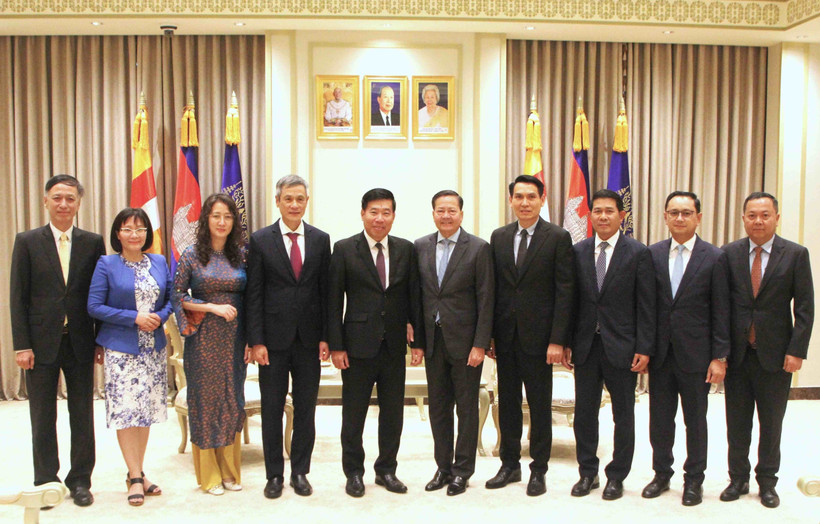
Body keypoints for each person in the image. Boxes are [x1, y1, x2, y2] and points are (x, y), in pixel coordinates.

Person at [10, 174, 105, 508]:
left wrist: (100, 341)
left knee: (82, 414)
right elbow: (17, 297)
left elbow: (100, 294)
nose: (64, 204)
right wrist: (22, 345)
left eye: (70, 198)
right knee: (41, 415)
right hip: (39, 343)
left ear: (79, 203)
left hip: (80, 340)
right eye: (57, 197)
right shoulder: (27, 241)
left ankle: (80, 480)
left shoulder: (93, 242)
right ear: (46, 201)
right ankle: (46, 482)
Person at [721, 192, 814, 509]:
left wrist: (796, 350)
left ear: (776, 217)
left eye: (764, 215)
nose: (758, 221)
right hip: (737, 354)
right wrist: (719, 352)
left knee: (771, 423)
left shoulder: (796, 254)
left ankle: (767, 482)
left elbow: (804, 308)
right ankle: (738, 479)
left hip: (776, 355)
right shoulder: (729, 253)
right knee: (737, 423)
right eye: (752, 215)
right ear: (743, 218)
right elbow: (720, 307)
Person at [328, 188, 423, 497]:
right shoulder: (344, 249)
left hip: (394, 345)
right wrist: (337, 345)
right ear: (362, 213)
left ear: (393, 216)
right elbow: (333, 301)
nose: (380, 218)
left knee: (393, 413)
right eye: (374, 212)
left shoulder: (406, 249)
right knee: (353, 414)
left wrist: (417, 341)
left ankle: (386, 470)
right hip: (356, 347)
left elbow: (414, 298)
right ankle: (354, 472)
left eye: (386, 212)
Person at [486, 174, 575, 496]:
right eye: (519, 197)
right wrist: (491, 337)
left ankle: (539, 468)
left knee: (539, 406)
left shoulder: (558, 237)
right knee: (507, 403)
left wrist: (557, 340)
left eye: (531, 197)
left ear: (542, 199)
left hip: (541, 341)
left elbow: (565, 292)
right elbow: (493, 290)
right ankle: (509, 465)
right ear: (510, 200)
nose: (525, 202)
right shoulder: (498, 237)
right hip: (506, 338)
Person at [642, 191, 730, 506]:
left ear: (698, 217)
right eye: (674, 212)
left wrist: (719, 357)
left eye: (686, 212)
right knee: (660, 420)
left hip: (697, 356)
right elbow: (645, 308)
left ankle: (694, 480)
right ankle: (661, 474)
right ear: (665, 216)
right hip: (661, 355)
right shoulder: (651, 254)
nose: (680, 218)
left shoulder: (715, 257)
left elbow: (722, 311)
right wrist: (644, 348)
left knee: (696, 421)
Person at [246, 176, 330, 499]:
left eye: (300, 199)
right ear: (277, 201)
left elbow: (326, 293)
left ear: (306, 201)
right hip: (272, 341)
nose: (294, 205)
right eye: (288, 199)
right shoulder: (261, 240)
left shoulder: (321, 240)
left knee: (306, 408)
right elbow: (254, 294)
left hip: (309, 340)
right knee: (272, 407)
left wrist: (326, 336)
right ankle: (274, 475)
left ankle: (299, 471)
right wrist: (256, 341)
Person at [568, 188, 655, 501]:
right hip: (586, 347)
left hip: (624, 347)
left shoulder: (638, 253)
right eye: (597, 211)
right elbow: (571, 302)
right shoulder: (577, 251)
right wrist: (566, 342)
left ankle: (617, 476)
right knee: (585, 414)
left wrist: (644, 347)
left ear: (622, 215)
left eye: (609, 211)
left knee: (623, 416)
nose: (603, 216)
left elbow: (646, 306)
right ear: (590, 216)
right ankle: (587, 472)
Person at [87, 208, 172, 506]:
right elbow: (95, 306)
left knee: (145, 412)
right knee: (126, 411)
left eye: (140, 229)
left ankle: (138, 470)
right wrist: (134, 317)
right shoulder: (106, 264)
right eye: (128, 229)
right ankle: (135, 477)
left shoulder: (159, 262)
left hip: (154, 348)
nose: (135, 234)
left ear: (148, 233)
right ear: (117, 234)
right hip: (121, 349)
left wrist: (158, 317)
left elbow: (171, 298)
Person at [413, 190, 494, 496]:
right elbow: (418, 297)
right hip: (434, 342)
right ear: (433, 213)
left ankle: (462, 470)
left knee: (467, 409)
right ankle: (443, 467)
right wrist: (418, 342)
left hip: (466, 344)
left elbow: (486, 300)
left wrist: (480, 344)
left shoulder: (478, 248)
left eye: (451, 210)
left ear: (461, 214)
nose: (446, 215)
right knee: (438, 409)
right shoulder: (420, 246)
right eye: (440, 210)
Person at [172, 193, 249, 496]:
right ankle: (210, 476)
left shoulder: (242, 255)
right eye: (216, 216)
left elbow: (252, 297)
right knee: (205, 403)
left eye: (227, 216)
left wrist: (253, 339)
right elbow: (177, 295)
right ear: (206, 219)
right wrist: (212, 308)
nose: (221, 222)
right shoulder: (192, 255)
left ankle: (230, 472)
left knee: (232, 401)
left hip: (235, 339)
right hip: (203, 338)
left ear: (234, 221)